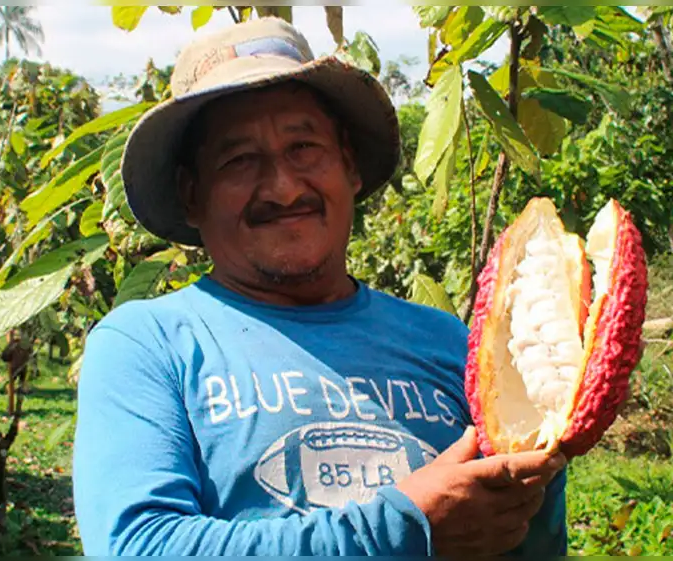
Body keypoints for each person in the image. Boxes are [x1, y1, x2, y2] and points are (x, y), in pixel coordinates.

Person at [72, 16, 568, 557]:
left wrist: (546, 449)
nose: (283, 188)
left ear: (349, 167)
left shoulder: (449, 342)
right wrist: (405, 528)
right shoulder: (148, 344)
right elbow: (137, 547)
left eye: (304, 148)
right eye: (239, 160)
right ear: (193, 195)